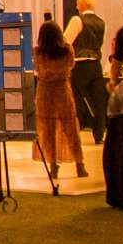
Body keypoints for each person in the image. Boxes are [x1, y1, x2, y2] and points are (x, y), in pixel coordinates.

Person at [31, 19, 85, 179]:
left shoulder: (38, 52)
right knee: (70, 128)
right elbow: (71, 65)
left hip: (44, 92)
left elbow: (36, 68)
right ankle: (79, 164)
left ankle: (53, 164)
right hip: (63, 90)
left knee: (47, 129)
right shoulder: (67, 50)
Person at [60, 0, 108, 144]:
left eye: (76, 4)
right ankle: (99, 135)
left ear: (81, 6)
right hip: (96, 64)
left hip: (79, 64)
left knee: (76, 99)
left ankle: (74, 131)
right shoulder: (101, 22)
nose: (75, 7)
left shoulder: (77, 20)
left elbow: (65, 41)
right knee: (98, 101)